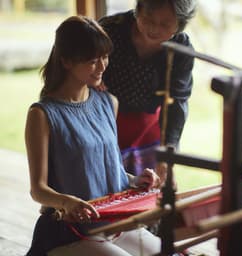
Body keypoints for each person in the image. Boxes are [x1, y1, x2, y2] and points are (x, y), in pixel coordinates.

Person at [25, 16, 162, 256]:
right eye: (92, 60)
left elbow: (103, 168)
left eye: (105, 57)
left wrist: (135, 180)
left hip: (114, 224)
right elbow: (38, 189)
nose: (102, 66)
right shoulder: (42, 115)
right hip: (68, 232)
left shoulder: (109, 103)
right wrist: (67, 202)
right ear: (66, 61)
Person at [98, 0, 196, 184]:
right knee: (105, 187)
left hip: (150, 127)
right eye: (148, 19)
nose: (154, 29)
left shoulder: (181, 48)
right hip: (105, 122)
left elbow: (177, 100)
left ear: (179, 24)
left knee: (150, 186)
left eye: (165, 24)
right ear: (139, 8)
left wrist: (169, 150)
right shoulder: (110, 30)